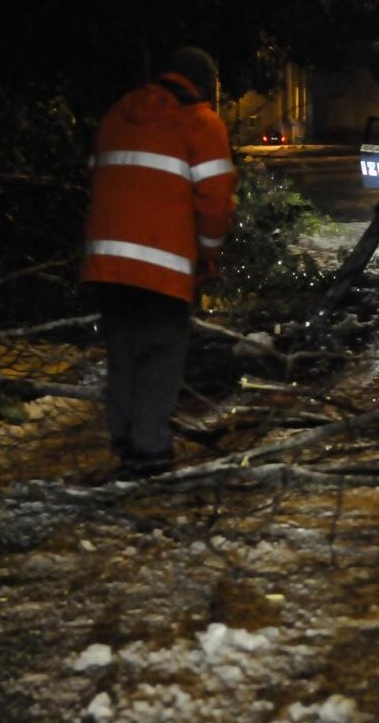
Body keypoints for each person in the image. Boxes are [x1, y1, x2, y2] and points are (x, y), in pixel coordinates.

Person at [82, 46, 238, 479]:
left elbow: (102, 179)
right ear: (204, 85)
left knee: (124, 350)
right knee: (160, 352)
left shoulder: (117, 114)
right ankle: (150, 451)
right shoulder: (199, 123)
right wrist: (209, 255)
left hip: (106, 264)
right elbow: (215, 204)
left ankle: (125, 439)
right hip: (161, 264)